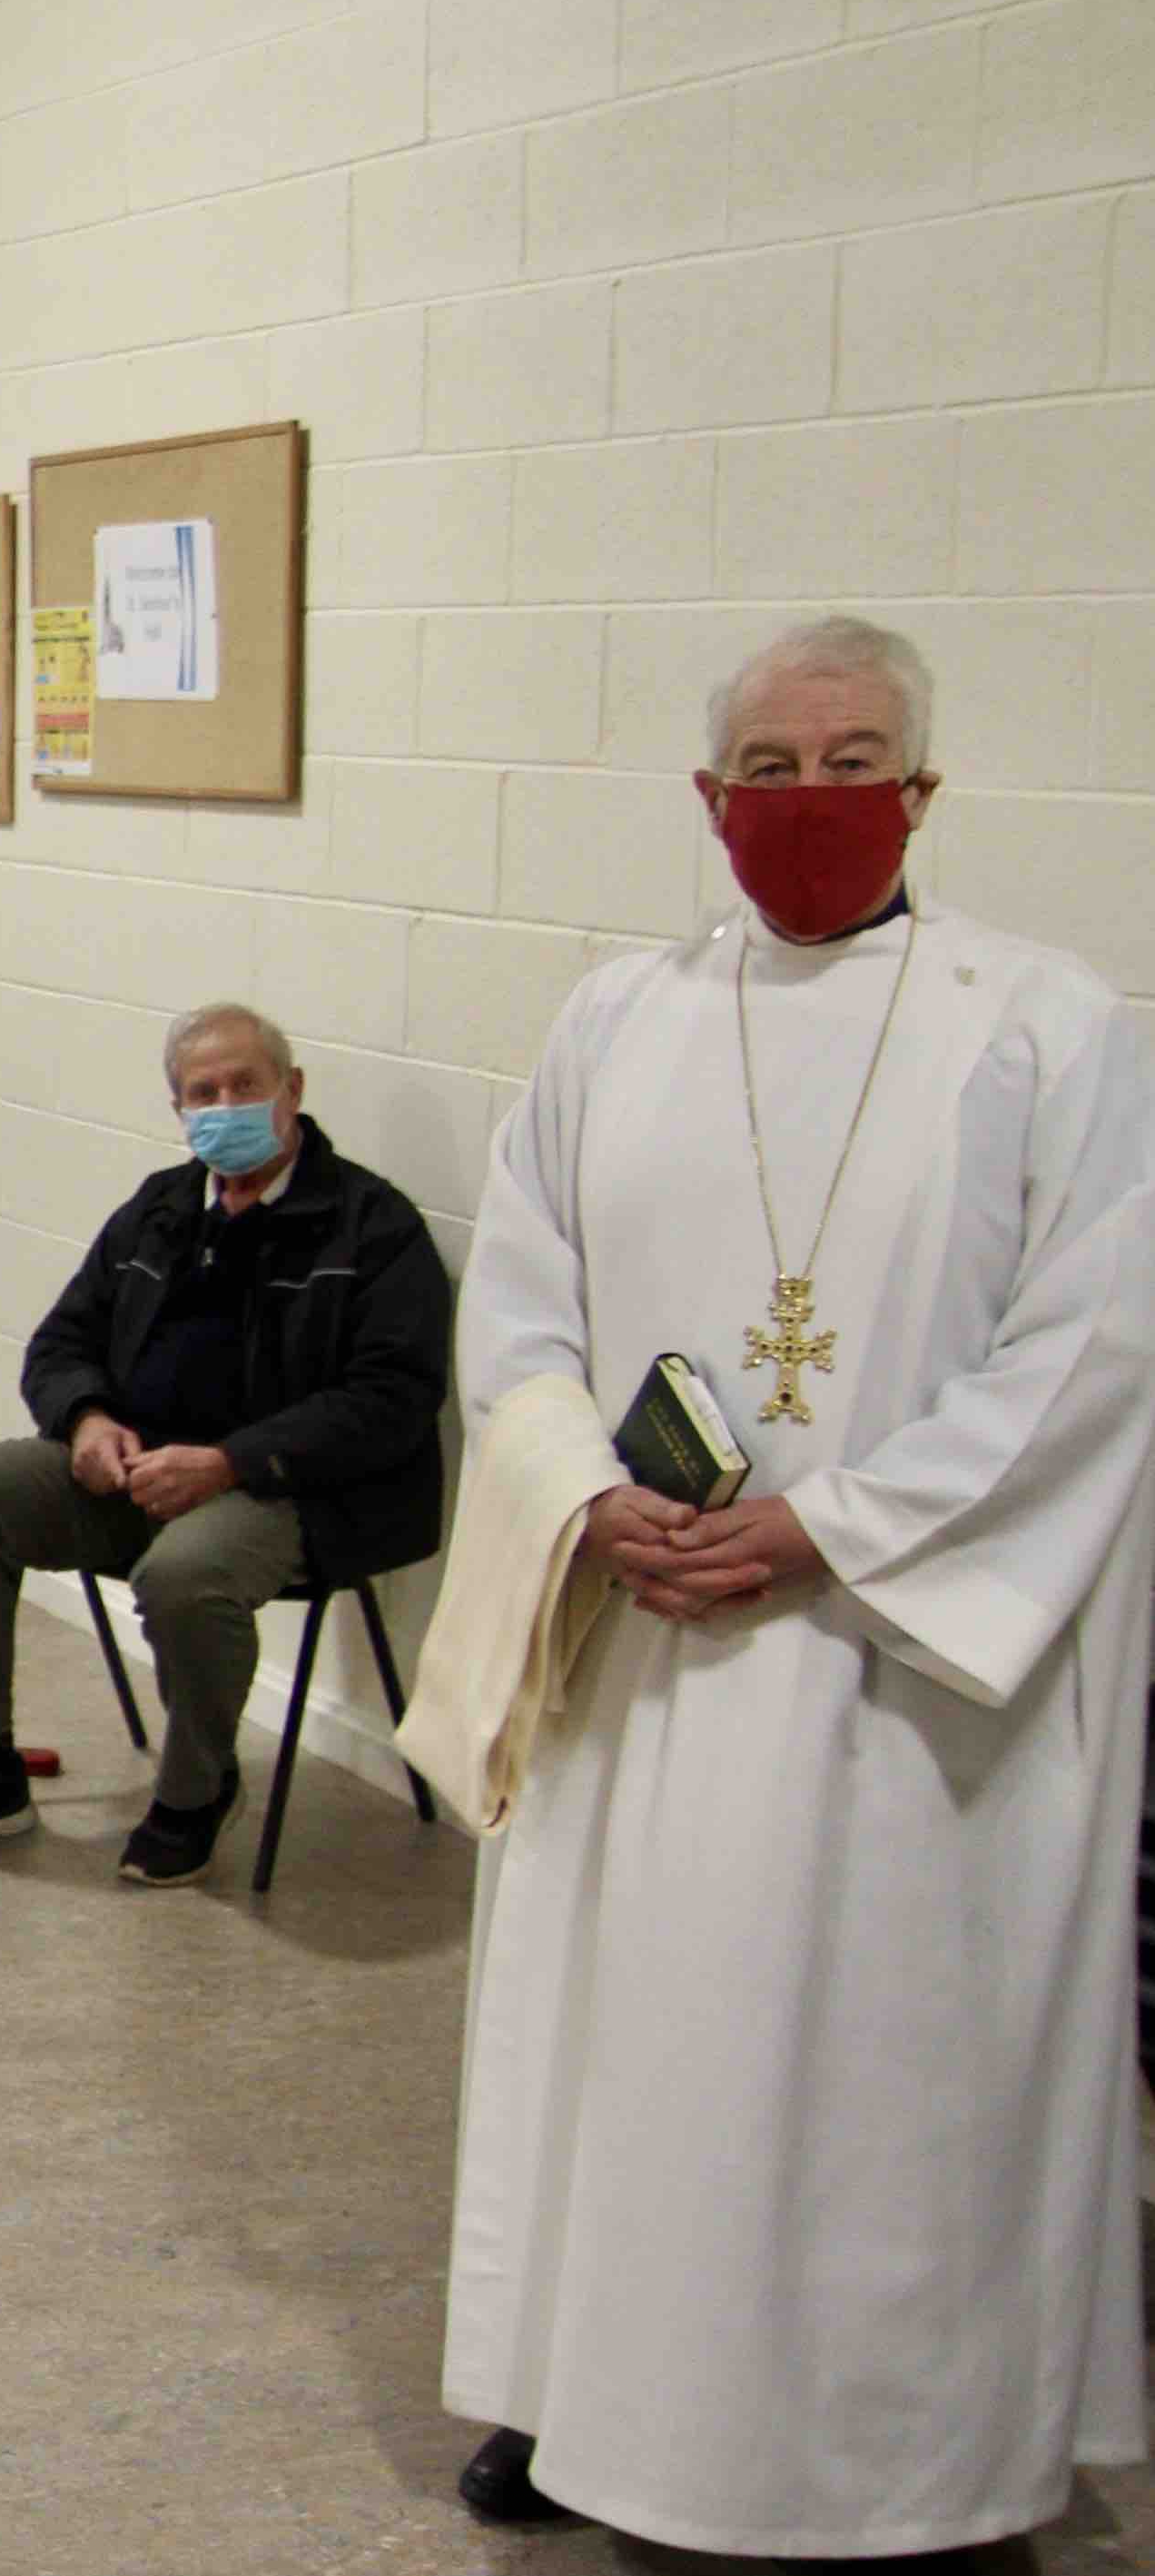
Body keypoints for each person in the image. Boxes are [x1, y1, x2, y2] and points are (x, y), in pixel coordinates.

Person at [435, 615, 1155, 2554]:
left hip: (901, 1681)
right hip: (648, 1661)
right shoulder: (613, 1021)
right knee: (641, 2064)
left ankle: (920, 2457)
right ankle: (605, 2404)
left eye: (852, 760)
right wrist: (585, 1492)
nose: (808, 798)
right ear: (705, 798)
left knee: (888, 2096)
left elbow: (1094, 1347)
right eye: (769, 765)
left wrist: (829, 1521)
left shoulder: (1046, 1023)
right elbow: (515, 1310)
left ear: (920, 790)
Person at [0, 1003, 449, 1887]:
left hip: (287, 1492)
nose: (222, 1104)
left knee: (183, 1573)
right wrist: (86, 1419)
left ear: (291, 1090)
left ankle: (196, 1789)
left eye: (244, 1085)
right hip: (135, 1475)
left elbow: (392, 1400)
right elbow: (59, 1344)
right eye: (201, 1092)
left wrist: (226, 1462)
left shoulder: (372, 1227)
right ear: (177, 1109)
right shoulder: (158, 1210)